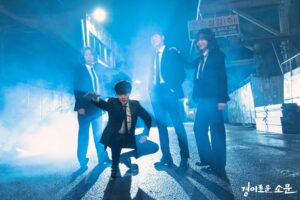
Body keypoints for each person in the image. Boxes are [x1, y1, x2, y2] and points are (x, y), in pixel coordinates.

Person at [87, 81, 152, 179]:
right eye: (120, 95)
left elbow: (147, 117)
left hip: (129, 138)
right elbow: (102, 104)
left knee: (153, 147)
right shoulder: (112, 102)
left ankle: (124, 157)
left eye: (125, 94)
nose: (123, 97)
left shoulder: (135, 104)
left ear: (129, 94)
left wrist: (145, 134)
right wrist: (96, 100)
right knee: (115, 142)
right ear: (116, 95)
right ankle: (115, 167)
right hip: (115, 137)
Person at [149, 32, 190, 169]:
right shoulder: (152, 56)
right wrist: (150, 90)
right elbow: (152, 75)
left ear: (162, 38)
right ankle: (166, 157)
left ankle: (184, 158)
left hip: (169, 91)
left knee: (177, 123)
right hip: (156, 93)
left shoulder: (171, 52)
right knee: (161, 126)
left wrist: (173, 87)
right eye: (152, 38)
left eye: (156, 36)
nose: (154, 39)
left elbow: (182, 72)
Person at [191, 28, 230, 172]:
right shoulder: (200, 58)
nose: (200, 42)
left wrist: (222, 99)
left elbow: (222, 77)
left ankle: (219, 165)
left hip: (214, 99)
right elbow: (196, 77)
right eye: (198, 40)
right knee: (198, 129)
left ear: (209, 40)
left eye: (203, 39)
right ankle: (208, 160)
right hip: (203, 100)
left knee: (216, 131)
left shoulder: (218, 55)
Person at [73, 47, 109, 169]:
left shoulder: (96, 71)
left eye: (91, 54)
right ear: (83, 57)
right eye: (86, 55)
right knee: (84, 134)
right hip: (85, 108)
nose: (89, 57)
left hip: (97, 107)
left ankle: (103, 158)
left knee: (99, 134)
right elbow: (76, 89)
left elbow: (100, 89)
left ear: (94, 56)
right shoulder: (80, 70)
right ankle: (82, 160)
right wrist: (80, 106)